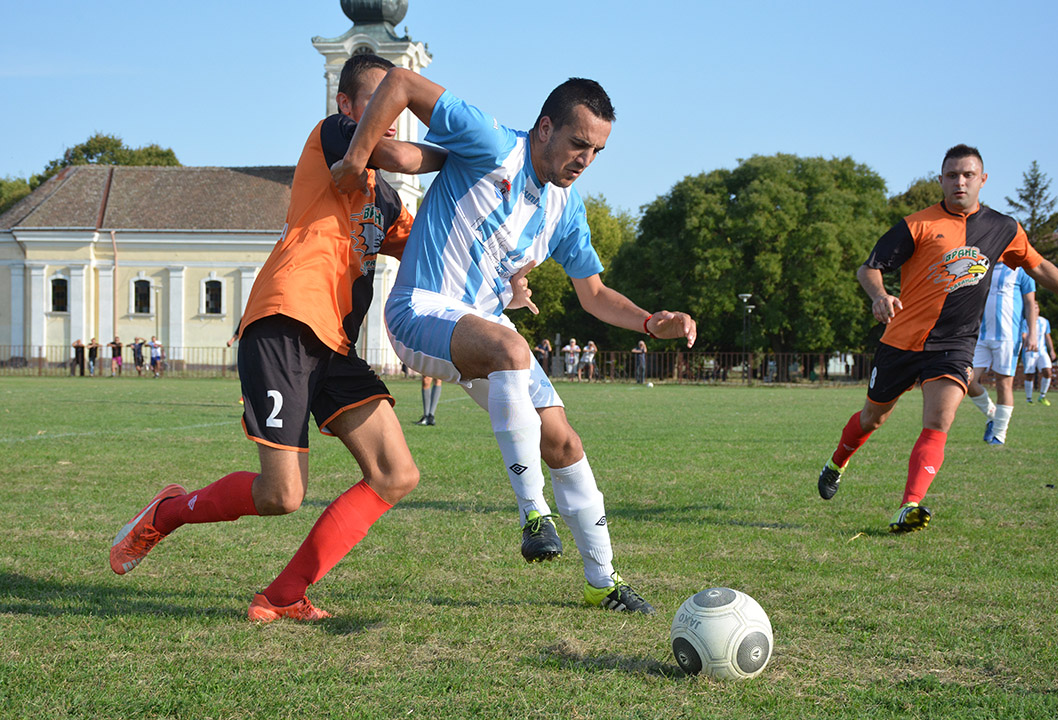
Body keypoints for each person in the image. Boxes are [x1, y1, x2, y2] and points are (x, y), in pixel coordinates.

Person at [333, 69, 697, 613]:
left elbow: (594, 295)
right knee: (512, 348)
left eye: (597, 151)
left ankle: (604, 581)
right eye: (578, 143)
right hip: (421, 309)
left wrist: (650, 322)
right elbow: (403, 83)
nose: (585, 160)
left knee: (565, 442)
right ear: (545, 128)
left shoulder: (567, 209)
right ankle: (534, 516)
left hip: (483, 329)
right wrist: (355, 160)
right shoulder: (490, 142)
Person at [109, 53, 445, 622]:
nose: (392, 115)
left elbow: (433, 253)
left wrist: (504, 271)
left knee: (396, 473)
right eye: (381, 102)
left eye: (402, 105)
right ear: (346, 105)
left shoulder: (385, 200)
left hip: (335, 345)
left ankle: (284, 595)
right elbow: (396, 153)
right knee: (281, 495)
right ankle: (168, 511)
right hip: (285, 322)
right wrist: (471, 153)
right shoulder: (335, 134)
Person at [816, 144, 1058, 533]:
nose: (960, 181)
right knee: (873, 418)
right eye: (952, 175)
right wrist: (880, 295)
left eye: (968, 174)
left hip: (954, 344)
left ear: (982, 179)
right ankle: (837, 461)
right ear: (940, 180)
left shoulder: (1004, 228)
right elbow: (869, 268)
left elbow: (1038, 267)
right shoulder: (916, 225)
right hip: (902, 340)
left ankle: (909, 506)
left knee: (940, 419)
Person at [965, 264, 1036, 444]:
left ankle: (998, 435)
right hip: (981, 336)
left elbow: (1030, 303)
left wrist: (1032, 333)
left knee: (1003, 385)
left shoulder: (1022, 271)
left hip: (1008, 337)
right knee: (967, 379)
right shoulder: (983, 266)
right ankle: (993, 415)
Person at [1021, 306, 1056, 405]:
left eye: (1036, 307)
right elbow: (1023, 335)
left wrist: (1052, 350)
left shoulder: (1044, 321)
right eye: (1033, 307)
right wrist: (1029, 343)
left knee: (1048, 371)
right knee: (1029, 375)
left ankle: (1042, 396)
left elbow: (1047, 336)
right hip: (1029, 352)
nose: (1034, 309)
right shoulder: (1025, 321)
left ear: (1039, 309)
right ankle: (1029, 399)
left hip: (1042, 351)